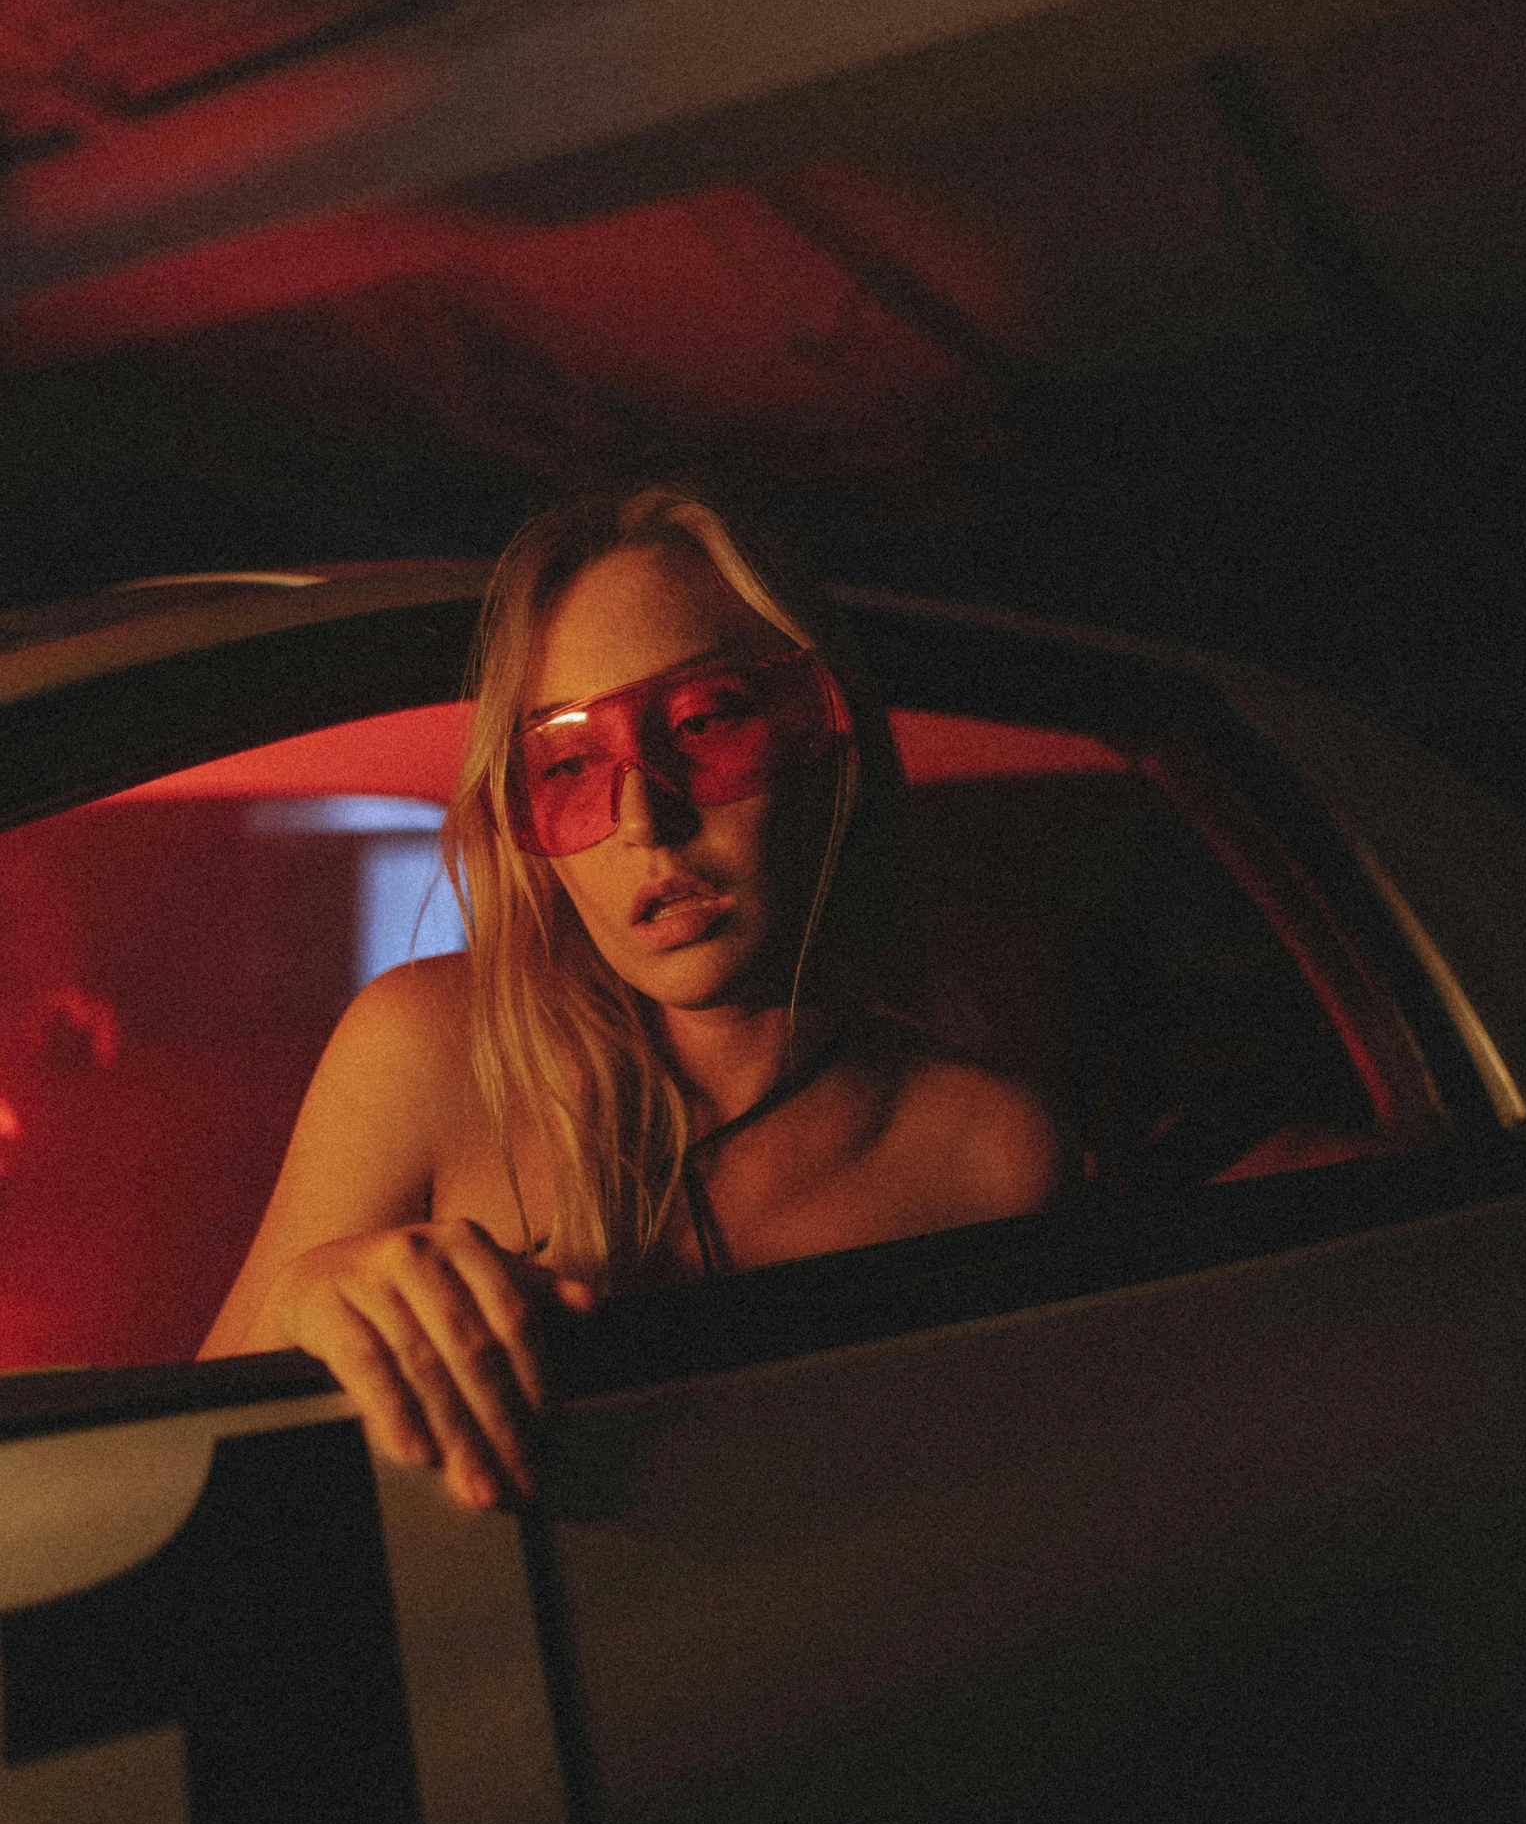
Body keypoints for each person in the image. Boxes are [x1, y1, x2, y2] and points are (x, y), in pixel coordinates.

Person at [201, 486, 1064, 1504]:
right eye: (568, 762)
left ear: (828, 735)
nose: (643, 818)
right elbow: (189, 1460)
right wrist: (313, 1297)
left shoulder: (992, 1154)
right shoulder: (432, 1049)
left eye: (703, 721)